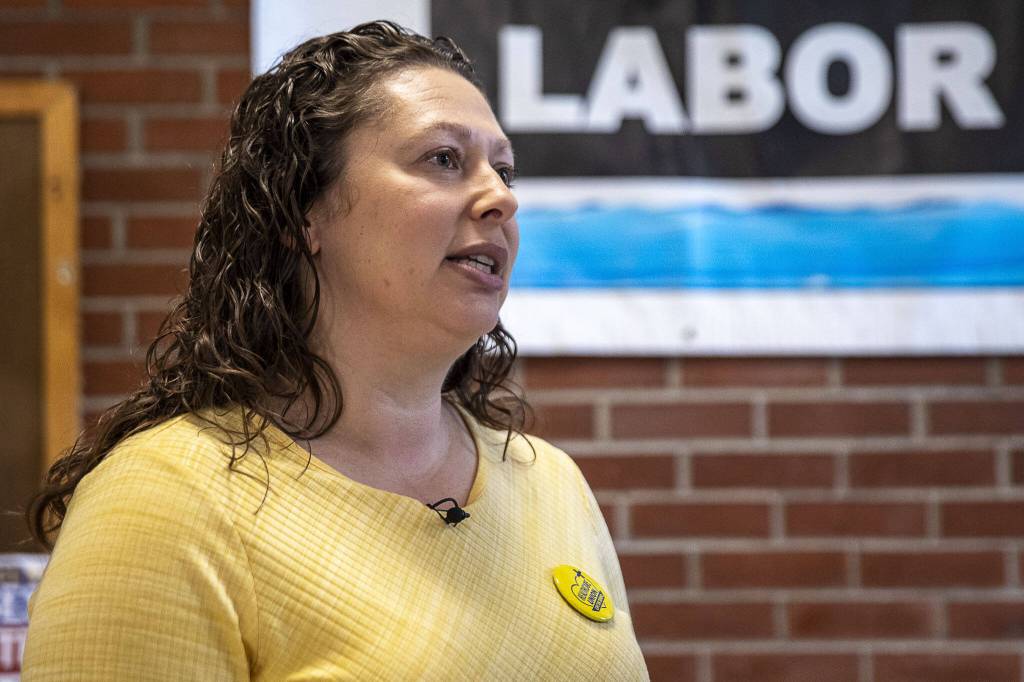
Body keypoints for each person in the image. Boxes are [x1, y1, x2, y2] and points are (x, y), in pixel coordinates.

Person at [22, 20, 649, 680]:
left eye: (505, 170)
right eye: (442, 159)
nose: (500, 198)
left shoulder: (550, 483)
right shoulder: (163, 503)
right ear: (303, 214)